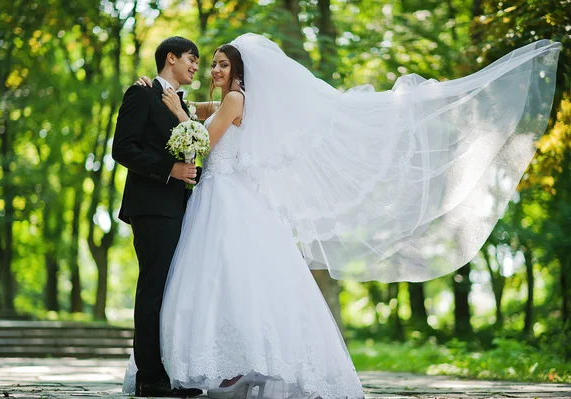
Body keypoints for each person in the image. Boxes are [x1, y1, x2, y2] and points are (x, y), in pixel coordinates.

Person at [125, 33, 561, 398]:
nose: (214, 70)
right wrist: (169, 96)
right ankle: (210, 363)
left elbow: (202, 141)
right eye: (210, 63)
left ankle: (232, 362)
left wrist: (179, 110)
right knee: (216, 280)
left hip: (225, 199)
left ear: (238, 71)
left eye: (220, 64)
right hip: (213, 199)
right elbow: (199, 111)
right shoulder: (227, 102)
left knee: (229, 277)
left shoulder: (236, 100)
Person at [111, 36, 203, 398]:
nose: (196, 66)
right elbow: (123, 148)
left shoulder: (185, 106)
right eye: (191, 59)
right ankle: (150, 377)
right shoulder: (142, 94)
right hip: (151, 206)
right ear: (171, 58)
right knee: (154, 288)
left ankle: (169, 370)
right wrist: (170, 169)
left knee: (171, 291)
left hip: (179, 208)